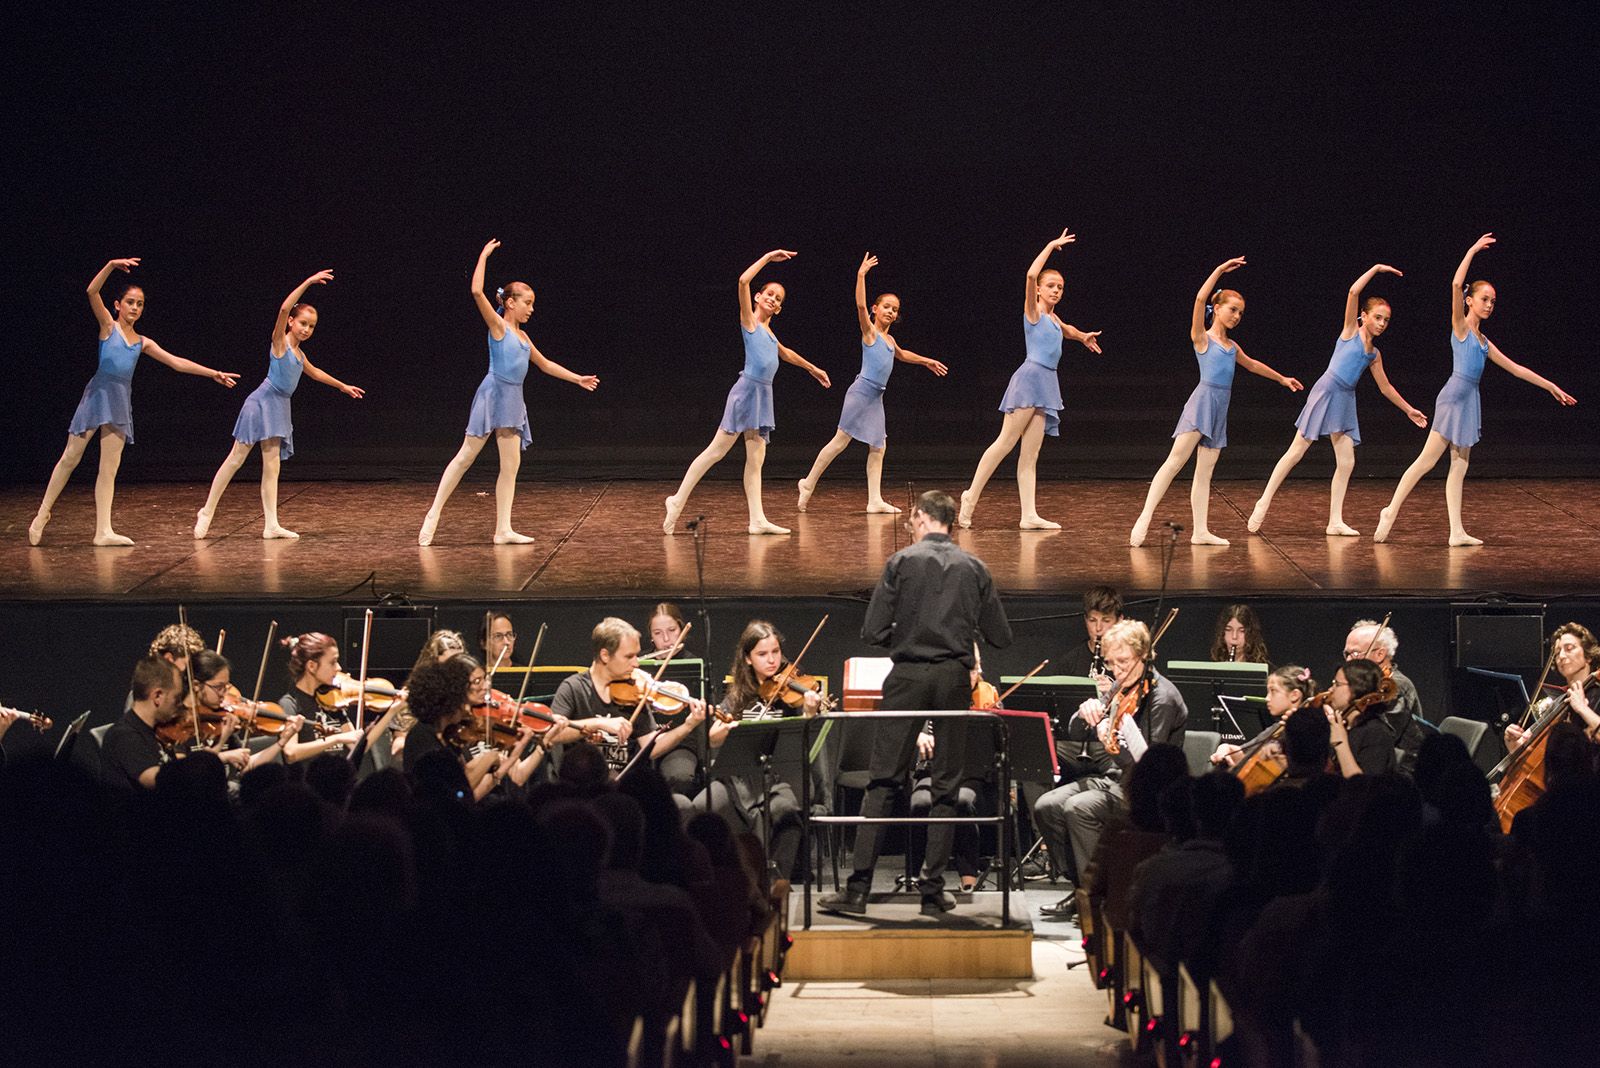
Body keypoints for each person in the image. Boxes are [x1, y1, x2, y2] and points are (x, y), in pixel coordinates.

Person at [821, 491, 1014, 917]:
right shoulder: (975, 567)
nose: (910, 527)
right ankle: (931, 890)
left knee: (883, 781)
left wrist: (908, 638)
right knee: (946, 786)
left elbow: (872, 632)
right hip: (953, 681)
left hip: (906, 676)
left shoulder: (901, 562)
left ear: (922, 517)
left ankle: (856, 891)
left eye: (911, 520)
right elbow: (1001, 637)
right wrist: (959, 638)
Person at [1374, 234, 1576, 545]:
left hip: (1470, 400)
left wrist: (1550, 386)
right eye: (1484, 299)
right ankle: (1390, 510)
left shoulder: (1483, 343)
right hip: (1454, 396)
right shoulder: (1461, 327)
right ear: (1470, 301)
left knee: (1460, 464)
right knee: (1427, 461)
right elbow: (1456, 285)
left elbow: (1516, 368)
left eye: (1493, 301)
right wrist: (1470, 251)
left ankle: (1456, 531)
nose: (1490, 305)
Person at [29, 257, 239, 546]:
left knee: (109, 468)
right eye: (130, 302)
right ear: (118, 305)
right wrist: (110, 266)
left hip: (119, 402)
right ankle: (42, 513)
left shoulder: (142, 342)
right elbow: (91, 292)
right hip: (97, 396)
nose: (135, 308)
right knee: (70, 457)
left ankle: (103, 530)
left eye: (139, 304)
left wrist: (212, 373)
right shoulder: (107, 327)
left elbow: (176, 362)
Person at [419, 239, 600, 546]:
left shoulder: (524, 336)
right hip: (493, 394)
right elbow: (477, 291)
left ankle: (503, 529)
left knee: (511, 467)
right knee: (466, 457)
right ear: (511, 302)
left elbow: (544, 364)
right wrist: (484, 255)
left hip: (514, 400)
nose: (532, 308)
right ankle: (434, 512)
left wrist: (576, 378)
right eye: (527, 302)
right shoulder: (498, 327)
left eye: (532, 303)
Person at [1130, 257, 1303, 547]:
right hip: (1202, 403)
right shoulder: (1202, 338)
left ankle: (1200, 531)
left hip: (1220, 408)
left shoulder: (1232, 347)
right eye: (1232, 310)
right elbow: (1199, 298)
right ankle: (1144, 517)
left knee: (1205, 473)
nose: (1236, 316)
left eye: (1241, 313)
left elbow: (1252, 365)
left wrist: (1282, 378)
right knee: (1174, 462)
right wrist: (1220, 270)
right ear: (1218, 309)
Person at [1247, 264, 1425, 536]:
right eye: (1377, 317)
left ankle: (1334, 521)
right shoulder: (1349, 333)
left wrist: (1408, 409)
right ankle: (1263, 501)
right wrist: (1375, 269)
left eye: (1386, 320)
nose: (1381, 324)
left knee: (1347, 462)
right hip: (1327, 391)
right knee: (1296, 451)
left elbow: (1385, 387)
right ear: (1363, 316)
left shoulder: (1374, 354)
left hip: (1345, 400)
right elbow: (1354, 290)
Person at [664, 249, 831, 535]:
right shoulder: (750, 322)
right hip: (746, 393)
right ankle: (676, 501)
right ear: (758, 297)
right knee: (715, 452)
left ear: (779, 309)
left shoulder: (769, 332)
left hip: (763, 396)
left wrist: (812, 368)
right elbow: (742, 281)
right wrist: (768, 258)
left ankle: (757, 520)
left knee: (756, 461)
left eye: (778, 299)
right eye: (769, 294)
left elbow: (786, 353)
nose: (772, 299)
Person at [193, 270, 365, 540]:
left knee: (272, 467)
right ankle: (207, 511)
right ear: (291, 323)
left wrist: (342, 386)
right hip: (261, 403)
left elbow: (315, 372)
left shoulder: (299, 353)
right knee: (236, 459)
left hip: (279, 408)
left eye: (311, 326)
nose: (306, 329)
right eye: (303, 323)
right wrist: (308, 282)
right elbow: (285, 307)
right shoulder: (280, 343)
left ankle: (271, 524)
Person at [1034, 619, 1188, 919]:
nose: (1117, 670)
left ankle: (1099, 895)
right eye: (1112, 663)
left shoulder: (1162, 698)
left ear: (1144, 656)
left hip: (1148, 793)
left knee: (1079, 808)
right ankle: (1082, 886)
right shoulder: (1119, 686)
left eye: (1124, 662)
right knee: (1047, 806)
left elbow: (1150, 768)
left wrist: (1110, 742)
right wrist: (1084, 712)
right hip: (1117, 780)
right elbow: (1076, 730)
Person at [958, 230, 1102, 530]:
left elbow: (1068, 329)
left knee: (1031, 453)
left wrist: (1083, 336)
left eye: (1060, 287)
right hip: (1029, 379)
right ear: (1038, 290)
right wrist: (1050, 245)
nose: (1056, 290)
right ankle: (970, 497)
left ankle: (1028, 515)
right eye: (1051, 286)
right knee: (1005, 442)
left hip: (1047, 383)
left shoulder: (1053, 318)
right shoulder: (1034, 312)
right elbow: (1030, 273)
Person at [797, 253, 948, 514]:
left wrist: (926, 361)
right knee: (840, 441)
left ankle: (874, 499)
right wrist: (861, 275)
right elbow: (859, 307)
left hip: (876, 397)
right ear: (876, 310)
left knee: (878, 446)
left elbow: (902, 355)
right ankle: (808, 483)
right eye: (886, 306)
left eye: (895, 309)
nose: (891, 311)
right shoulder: (870, 333)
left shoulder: (889, 341)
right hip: (861, 392)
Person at [696, 620, 825, 880]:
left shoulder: (793, 695)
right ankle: (725, 877)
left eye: (775, 652)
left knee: (787, 813)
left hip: (779, 779)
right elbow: (712, 739)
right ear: (747, 659)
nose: (772, 661)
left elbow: (806, 742)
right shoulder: (737, 696)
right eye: (762, 654)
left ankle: (777, 880)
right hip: (739, 779)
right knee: (701, 806)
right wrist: (726, 730)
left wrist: (809, 713)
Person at [547, 618, 707, 776]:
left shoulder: (635, 689)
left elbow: (650, 748)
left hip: (625, 785)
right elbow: (552, 733)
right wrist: (598, 723)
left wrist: (688, 726)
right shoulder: (574, 688)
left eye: (636, 656)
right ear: (605, 655)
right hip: (582, 783)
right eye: (629, 656)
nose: (636, 663)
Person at [400, 654, 507, 802]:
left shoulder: (447, 734)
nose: (465, 709)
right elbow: (456, 792)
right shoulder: (423, 737)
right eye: (460, 702)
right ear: (449, 702)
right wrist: (489, 759)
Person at [189, 649, 300, 772]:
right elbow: (189, 774)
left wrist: (282, 741)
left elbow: (246, 766)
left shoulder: (224, 721)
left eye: (226, 687)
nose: (224, 694)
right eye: (218, 687)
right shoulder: (182, 728)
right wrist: (222, 746)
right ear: (196, 685)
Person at [1344, 619, 1429, 775]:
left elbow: (1380, 736)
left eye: (1354, 654)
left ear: (1380, 654)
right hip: (1375, 759)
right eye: (1346, 654)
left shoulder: (1396, 686)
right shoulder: (1367, 686)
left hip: (1401, 771)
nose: (1348, 661)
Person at [1504, 623, 1600, 753]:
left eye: (1569, 648)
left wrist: (1582, 708)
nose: (1561, 656)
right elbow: (1522, 745)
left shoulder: (1597, 693)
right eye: (1558, 652)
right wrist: (1512, 742)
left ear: (1588, 656)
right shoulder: (1559, 703)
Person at [275, 632, 366, 765]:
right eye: (333, 662)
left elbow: (356, 747)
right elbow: (290, 753)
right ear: (311, 666)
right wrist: (336, 739)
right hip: (307, 783)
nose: (339, 668)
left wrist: (392, 710)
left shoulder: (332, 700)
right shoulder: (289, 704)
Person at [101, 657, 186, 790]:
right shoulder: (124, 735)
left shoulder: (159, 732)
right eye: (176, 698)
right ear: (157, 696)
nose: (180, 704)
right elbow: (154, 780)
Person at [1211, 664, 1315, 770]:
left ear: (1294, 695)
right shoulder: (1277, 728)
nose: (1267, 698)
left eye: (1273, 691)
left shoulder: (1308, 732)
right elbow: (1245, 754)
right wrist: (1226, 748)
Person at [1325, 659, 1395, 777]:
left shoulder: (1376, 733)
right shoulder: (1344, 725)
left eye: (1337, 684)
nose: (1330, 690)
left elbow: (1364, 788)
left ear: (1356, 689)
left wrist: (1340, 744)